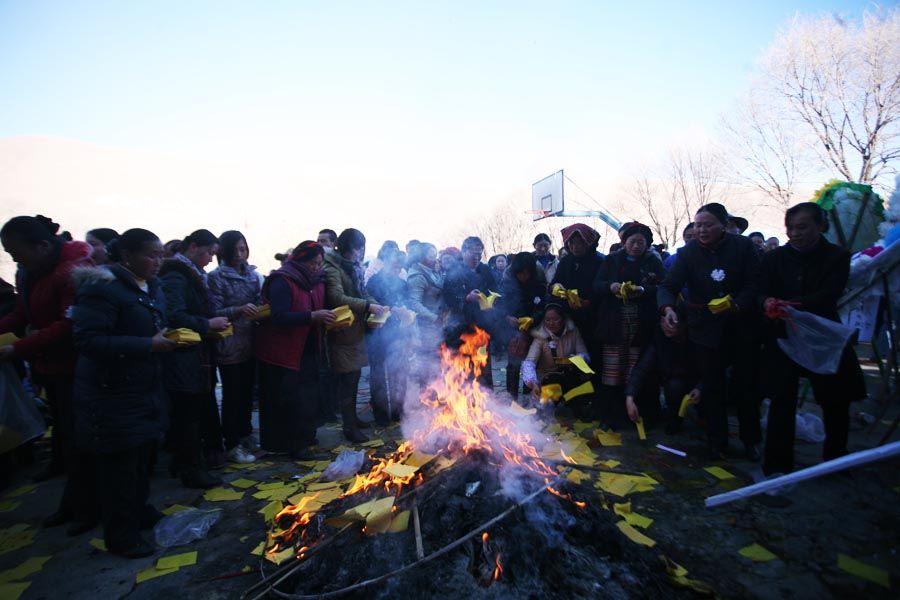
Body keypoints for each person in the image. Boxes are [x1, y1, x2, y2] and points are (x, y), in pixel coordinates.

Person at [70, 228, 175, 557]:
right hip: (112, 392)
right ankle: (121, 534)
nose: (158, 262)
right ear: (127, 255)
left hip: (145, 386)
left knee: (144, 455)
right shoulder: (103, 289)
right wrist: (148, 344)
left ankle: (140, 511)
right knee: (121, 465)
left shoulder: (153, 287)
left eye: (160, 255)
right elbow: (88, 340)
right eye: (150, 255)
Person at [0, 215, 93, 529]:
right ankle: (75, 502)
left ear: (41, 246)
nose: (14, 259)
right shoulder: (30, 273)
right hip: (49, 365)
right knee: (67, 437)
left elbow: (69, 325)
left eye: (17, 252)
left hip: (76, 368)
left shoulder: (75, 272)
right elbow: (21, 312)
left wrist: (18, 349)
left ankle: (86, 507)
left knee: (81, 440)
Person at [759, 202, 866, 476]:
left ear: (820, 226)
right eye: (791, 228)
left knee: (835, 398)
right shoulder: (774, 259)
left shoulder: (837, 257)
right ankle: (777, 464)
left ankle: (835, 459)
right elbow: (760, 290)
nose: (795, 233)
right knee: (782, 399)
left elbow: (830, 294)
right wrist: (768, 301)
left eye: (802, 227)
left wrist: (793, 304)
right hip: (782, 333)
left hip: (822, 334)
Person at [659, 203, 762, 459]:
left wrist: (737, 303)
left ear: (724, 225)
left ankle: (751, 441)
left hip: (741, 327)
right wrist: (668, 309)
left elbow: (755, 283)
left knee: (745, 388)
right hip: (705, 329)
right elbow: (668, 285)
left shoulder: (743, 247)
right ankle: (717, 442)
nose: (701, 230)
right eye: (697, 225)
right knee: (712, 387)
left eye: (708, 225)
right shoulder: (688, 253)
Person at [159, 229, 230, 488]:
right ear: (193, 247)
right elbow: (174, 315)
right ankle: (191, 468)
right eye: (209, 253)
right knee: (187, 413)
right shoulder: (177, 276)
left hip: (196, 354)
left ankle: (189, 462)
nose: (211, 259)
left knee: (193, 411)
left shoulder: (192, 274)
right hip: (183, 356)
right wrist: (207, 323)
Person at [256, 242, 334, 459]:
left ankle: (307, 438)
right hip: (283, 350)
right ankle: (293, 445)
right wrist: (312, 316)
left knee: (308, 396)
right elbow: (278, 316)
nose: (316, 267)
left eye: (319, 263)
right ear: (300, 260)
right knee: (290, 398)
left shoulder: (317, 281)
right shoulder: (283, 280)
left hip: (309, 346)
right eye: (312, 263)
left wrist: (328, 320)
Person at [592, 222, 664, 426]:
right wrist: (611, 286)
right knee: (613, 370)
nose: (636, 246)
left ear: (647, 244)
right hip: (614, 323)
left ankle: (636, 415)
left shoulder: (653, 262)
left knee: (636, 369)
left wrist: (643, 290)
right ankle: (610, 416)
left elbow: (663, 286)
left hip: (641, 324)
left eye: (641, 242)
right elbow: (597, 285)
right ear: (624, 242)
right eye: (632, 242)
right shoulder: (612, 260)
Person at [324, 228, 386, 443]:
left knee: (355, 375)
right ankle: (349, 426)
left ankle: (353, 418)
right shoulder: (331, 266)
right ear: (346, 247)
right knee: (347, 379)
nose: (360, 253)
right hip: (342, 329)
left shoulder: (355, 267)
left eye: (362, 249)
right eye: (356, 248)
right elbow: (336, 296)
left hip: (357, 330)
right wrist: (368, 306)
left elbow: (362, 292)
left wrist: (379, 306)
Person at [207, 231, 261, 465]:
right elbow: (213, 311)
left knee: (248, 393)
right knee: (233, 395)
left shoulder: (252, 274)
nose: (240, 254)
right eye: (235, 249)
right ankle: (232, 443)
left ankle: (246, 435)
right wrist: (239, 309)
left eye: (243, 248)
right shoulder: (216, 277)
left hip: (251, 341)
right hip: (229, 342)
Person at [442, 236, 498, 388]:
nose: (477, 258)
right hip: (460, 328)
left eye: (479, 255)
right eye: (473, 254)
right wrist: (466, 298)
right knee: (462, 368)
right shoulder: (454, 271)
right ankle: (463, 403)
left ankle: (486, 401)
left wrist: (492, 300)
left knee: (482, 365)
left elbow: (495, 290)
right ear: (463, 252)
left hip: (481, 327)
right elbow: (448, 298)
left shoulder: (485, 270)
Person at [366, 249, 410, 424]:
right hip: (377, 332)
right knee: (378, 373)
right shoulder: (374, 282)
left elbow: (405, 303)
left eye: (400, 266)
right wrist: (392, 310)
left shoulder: (402, 283)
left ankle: (399, 411)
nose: (397, 269)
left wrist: (406, 314)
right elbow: (371, 304)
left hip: (398, 333)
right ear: (385, 262)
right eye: (394, 265)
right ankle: (381, 414)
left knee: (399, 372)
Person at [496, 252, 547, 399]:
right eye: (520, 274)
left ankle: (528, 397)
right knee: (513, 363)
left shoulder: (539, 280)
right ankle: (511, 397)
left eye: (526, 273)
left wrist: (533, 319)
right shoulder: (507, 280)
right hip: (513, 327)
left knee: (531, 363)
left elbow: (543, 304)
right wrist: (508, 317)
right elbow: (500, 304)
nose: (523, 277)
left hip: (534, 327)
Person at [550, 223, 604, 348]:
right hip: (568, 313)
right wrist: (556, 289)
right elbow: (554, 283)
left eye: (579, 243)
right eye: (571, 243)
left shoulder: (599, 261)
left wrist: (588, 302)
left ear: (588, 243)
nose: (575, 247)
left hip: (594, 315)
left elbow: (600, 286)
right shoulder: (566, 261)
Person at [521, 304, 589, 403]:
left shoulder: (573, 332)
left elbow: (584, 354)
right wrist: (532, 382)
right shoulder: (540, 336)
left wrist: (574, 360)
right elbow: (529, 362)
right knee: (552, 383)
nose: (551, 323)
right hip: (547, 378)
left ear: (563, 319)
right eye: (547, 320)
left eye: (555, 319)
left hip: (568, 375)